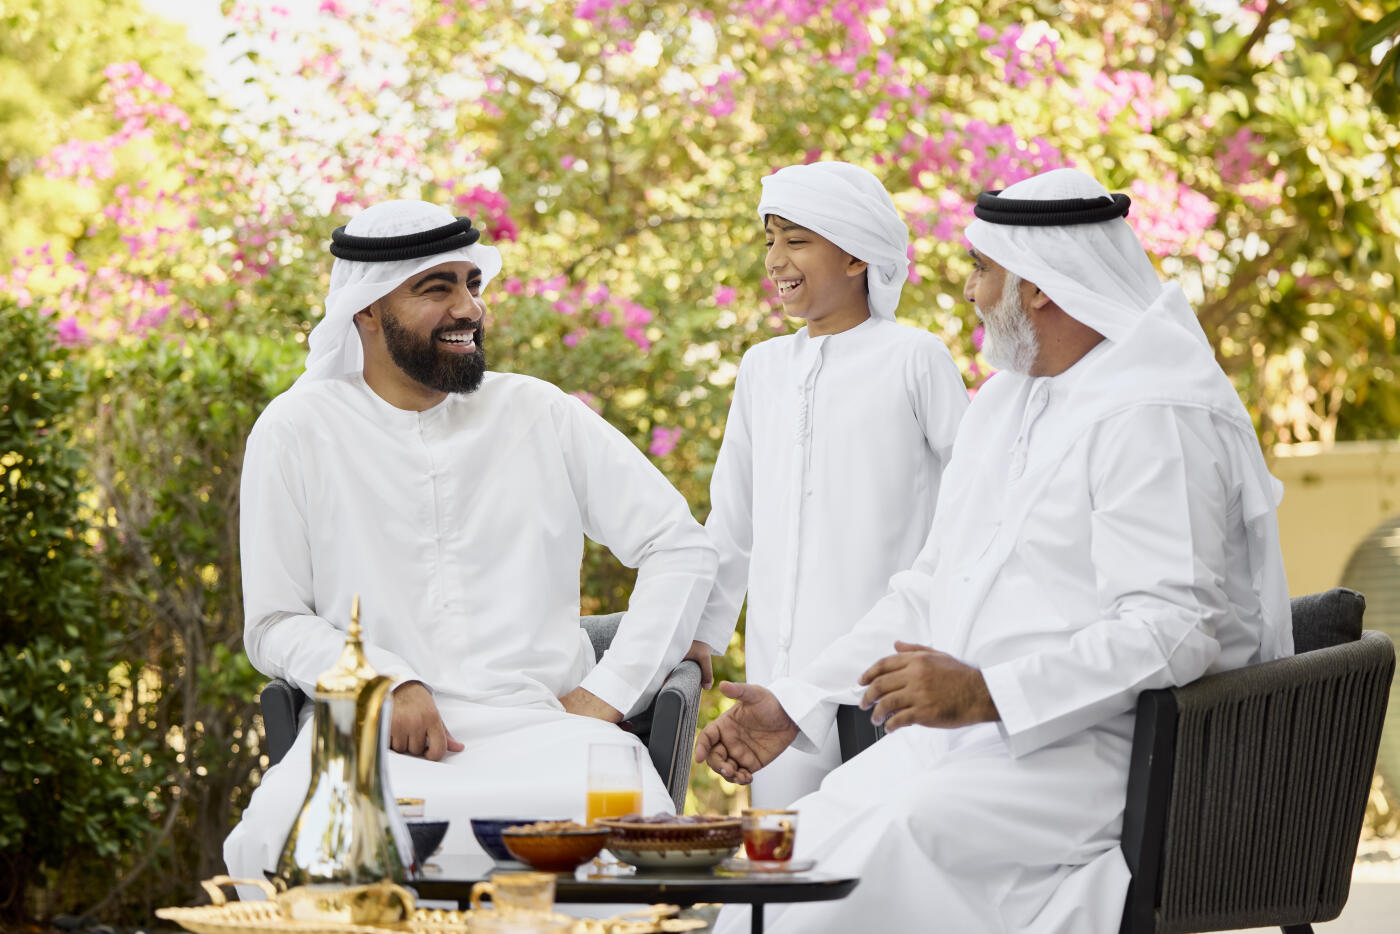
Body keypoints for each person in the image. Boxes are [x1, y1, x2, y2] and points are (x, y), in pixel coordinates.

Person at [694, 168, 1292, 933]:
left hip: (1114, 750)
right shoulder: (1010, 401)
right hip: (979, 745)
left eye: (982, 271)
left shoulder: (1154, 412)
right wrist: (796, 702)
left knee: (894, 840)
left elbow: (1172, 629)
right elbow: (930, 586)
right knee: (785, 851)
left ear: (1038, 286)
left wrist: (987, 692)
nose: (972, 295)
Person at [223, 200, 718, 883]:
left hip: (546, 735)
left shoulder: (535, 411)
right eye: (438, 288)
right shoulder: (296, 429)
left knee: (622, 834)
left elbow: (680, 546)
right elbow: (275, 623)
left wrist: (611, 690)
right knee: (287, 834)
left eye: (472, 285)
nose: (469, 309)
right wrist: (380, 683)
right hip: (375, 744)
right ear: (366, 309)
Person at [692, 161, 968, 807]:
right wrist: (702, 633)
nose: (775, 259)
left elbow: (977, 497)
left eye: (796, 239)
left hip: (888, 667)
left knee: (883, 848)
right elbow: (732, 518)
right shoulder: (763, 368)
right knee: (789, 853)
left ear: (856, 257)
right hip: (777, 674)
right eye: (769, 240)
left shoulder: (914, 357)